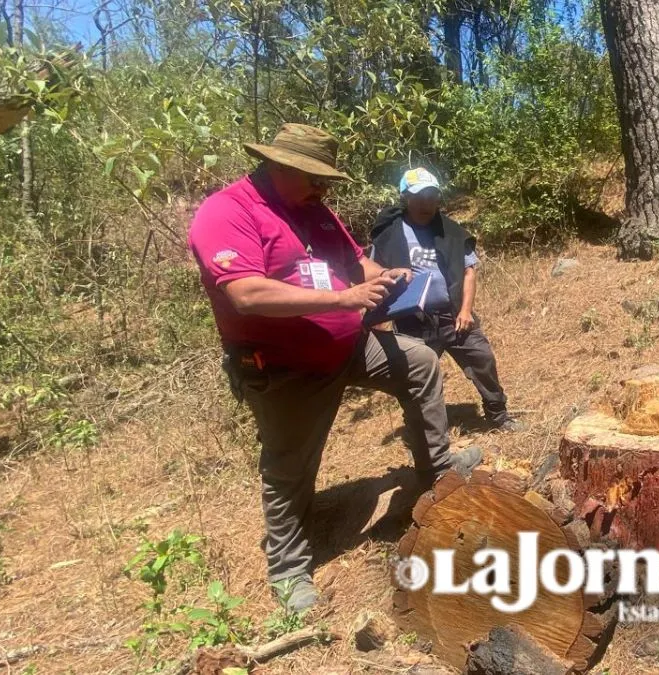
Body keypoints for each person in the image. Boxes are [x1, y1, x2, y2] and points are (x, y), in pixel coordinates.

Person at [187, 124, 482, 613]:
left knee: (420, 362)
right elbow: (245, 292)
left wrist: (383, 276)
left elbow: (353, 263)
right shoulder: (228, 211)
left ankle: (436, 470)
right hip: (286, 365)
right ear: (280, 166)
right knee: (289, 467)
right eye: (315, 178)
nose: (324, 189)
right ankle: (288, 568)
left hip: (346, 343)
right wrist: (343, 298)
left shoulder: (315, 210)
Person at [368, 168, 524, 432]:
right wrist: (378, 318)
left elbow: (468, 271)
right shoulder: (389, 235)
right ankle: (425, 432)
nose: (426, 203)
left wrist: (465, 310)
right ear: (406, 196)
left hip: (452, 315)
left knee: (482, 358)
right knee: (417, 377)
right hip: (412, 322)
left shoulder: (451, 231)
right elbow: (374, 276)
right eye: (420, 196)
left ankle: (498, 416)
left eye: (432, 196)